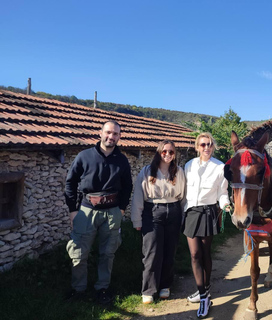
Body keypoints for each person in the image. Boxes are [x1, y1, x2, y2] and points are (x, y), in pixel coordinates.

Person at [64, 120, 133, 304]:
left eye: (116, 134)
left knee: (108, 252)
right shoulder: (84, 156)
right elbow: (71, 182)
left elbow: (127, 186)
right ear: (100, 133)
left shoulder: (122, 160)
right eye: (108, 132)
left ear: (119, 137)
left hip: (112, 212)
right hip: (86, 211)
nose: (111, 136)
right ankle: (78, 289)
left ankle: (102, 289)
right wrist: (72, 210)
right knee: (79, 251)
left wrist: (122, 209)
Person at [131, 140, 186, 304]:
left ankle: (165, 285)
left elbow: (183, 196)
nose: (168, 155)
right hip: (152, 211)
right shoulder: (147, 171)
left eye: (171, 152)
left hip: (174, 211)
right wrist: (136, 220)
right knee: (152, 252)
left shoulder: (179, 172)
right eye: (164, 152)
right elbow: (138, 197)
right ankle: (148, 290)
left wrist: (183, 218)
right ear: (159, 153)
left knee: (170, 251)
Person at [183, 132, 231, 319]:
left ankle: (205, 290)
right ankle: (203, 294)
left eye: (210, 144)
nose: (206, 148)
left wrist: (225, 204)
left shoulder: (220, 167)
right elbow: (185, 189)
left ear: (214, 146)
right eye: (203, 144)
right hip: (191, 212)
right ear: (197, 147)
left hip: (208, 212)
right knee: (194, 254)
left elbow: (222, 192)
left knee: (204, 253)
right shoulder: (189, 165)